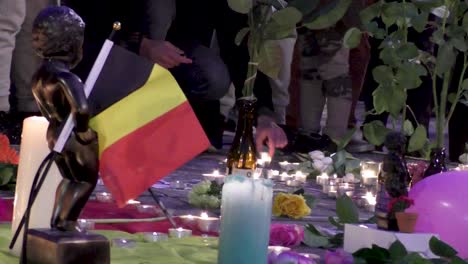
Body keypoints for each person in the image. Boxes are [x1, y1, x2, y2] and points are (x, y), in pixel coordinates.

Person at [138, 0, 288, 156]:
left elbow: (239, 48)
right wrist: (142, 44)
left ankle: (173, 126)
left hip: (177, 59)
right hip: (123, 55)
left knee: (213, 76)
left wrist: (263, 114)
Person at [31, 6, 99, 231]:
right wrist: (84, 131)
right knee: (85, 180)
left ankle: (59, 221)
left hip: (54, 131)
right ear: (71, 43)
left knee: (69, 178)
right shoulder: (67, 77)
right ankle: (67, 221)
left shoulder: (41, 76)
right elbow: (81, 108)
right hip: (72, 134)